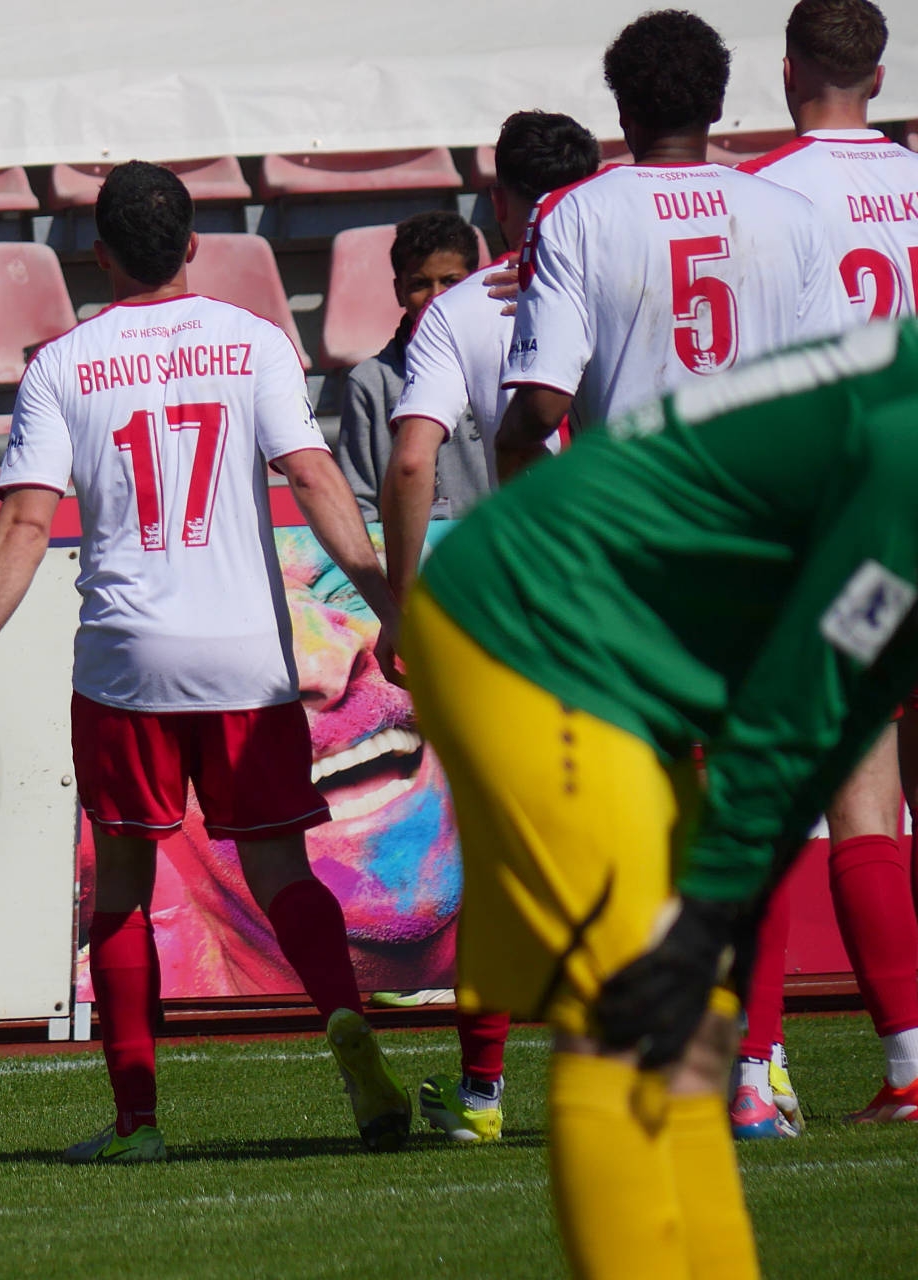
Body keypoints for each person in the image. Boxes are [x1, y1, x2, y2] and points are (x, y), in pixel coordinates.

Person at [0, 161, 411, 1162]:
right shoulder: (253, 340)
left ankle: (137, 1120)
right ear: (192, 246)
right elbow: (313, 474)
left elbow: (25, 521)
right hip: (244, 659)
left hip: (127, 661)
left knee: (124, 884)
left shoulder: (63, 364)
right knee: (279, 865)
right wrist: (386, 599)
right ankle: (344, 1022)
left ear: (99, 255)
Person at [403, 315, 918, 1280]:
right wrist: (719, 899)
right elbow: (802, 699)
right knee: (632, 1017)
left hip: (610, 647)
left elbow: (840, 702)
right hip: (537, 628)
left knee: (689, 1027)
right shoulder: (909, 447)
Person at [381, 110, 602, 1145]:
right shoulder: (635, 269)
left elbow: (412, 458)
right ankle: (735, 1066)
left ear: (499, 200)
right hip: (646, 584)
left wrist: (403, 601)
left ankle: (480, 1094)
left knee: (504, 849)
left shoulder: (461, 310)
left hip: (523, 601)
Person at [732, 0, 918, 1134]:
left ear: (789, 68)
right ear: (882, 73)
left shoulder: (764, 194)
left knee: (858, 798)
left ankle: (888, 1065)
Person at [497, 9, 847, 477]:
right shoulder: (792, 212)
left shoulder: (571, 212)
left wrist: (507, 444)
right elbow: (830, 383)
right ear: (717, 107)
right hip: (761, 499)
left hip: (637, 497)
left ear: (623, 111)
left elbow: (542, 408)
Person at [333, 210, 481, 520]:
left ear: (474, 282)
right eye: (419, 284)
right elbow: (358, 505)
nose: (436, 297)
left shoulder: (500, 367)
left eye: (451, 281)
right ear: (399, 291)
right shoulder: (370, 383)